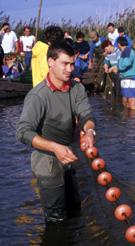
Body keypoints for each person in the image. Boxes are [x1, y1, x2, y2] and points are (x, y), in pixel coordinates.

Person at [16, 41, 96, 223]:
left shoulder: (77, 88)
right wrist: (55, 147)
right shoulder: (38, 95)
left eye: (72, 64)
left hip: (68, 153)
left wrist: (89, 131)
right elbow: (22, 132)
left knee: (75, 208)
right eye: (65, 63)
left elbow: (86, 114)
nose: (69, 69)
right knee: (55, 217)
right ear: (51, 62)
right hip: (47, 158)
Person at [117, 37, 135, 110]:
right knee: (126, 101)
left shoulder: (127, 50)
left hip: (130, 78)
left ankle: (131, 120)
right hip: (127, 78)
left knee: (131, 102)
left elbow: (126, 63)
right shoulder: (126, 51)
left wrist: (118, 68)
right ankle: (128, 120)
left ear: (118, 44)